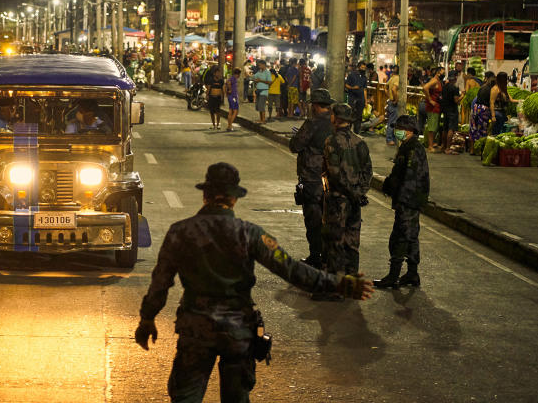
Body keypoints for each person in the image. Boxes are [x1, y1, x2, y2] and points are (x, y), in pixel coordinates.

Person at [134, 162, 374, 403]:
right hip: (237, 333)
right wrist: (339, 284)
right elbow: (291, 269)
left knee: (186, 397)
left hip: (196, 330)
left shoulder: (180, 232)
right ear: (234, 198)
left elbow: (160, 282)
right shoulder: (250, 234)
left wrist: (147, 319)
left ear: (205, 195)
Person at [314, 103, 373, 300]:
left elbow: (334, 173)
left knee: (335, 243)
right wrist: (359, 192)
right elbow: (368, 172)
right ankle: (353, 285)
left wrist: (349, 192)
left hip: (338, 201)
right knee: (352, 243)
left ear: (336, 119)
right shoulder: (360, 142)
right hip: (355, 201)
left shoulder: (332, 142)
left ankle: (335, 289)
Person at [375, 115, 429, 289]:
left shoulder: (413, 149)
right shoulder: (407, 146)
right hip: (409, 200)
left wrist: (401, 200)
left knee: (401, 236)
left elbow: (410, 177)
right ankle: (412, 274)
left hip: (409, 200)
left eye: (399, 128)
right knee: (411, 236)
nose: (396, 131)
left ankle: (393, 276)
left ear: (410, 131)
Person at [288, 89, 336, 268]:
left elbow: (296, 145)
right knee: (331, 218)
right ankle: (330, 256)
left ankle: (316, 256)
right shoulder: (335, 122)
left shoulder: (312, 123)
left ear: (315, 105)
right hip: (332, 178)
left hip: (312, 177)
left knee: (313, 219)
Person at [422, 66, 444, 152]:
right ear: (438, 73)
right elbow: (425, 88)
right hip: (432, 107)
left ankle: (432, 144)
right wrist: (430, 100)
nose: (443, 74)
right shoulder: (434, 80)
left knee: (434, 126)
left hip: (436, 106)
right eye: (442, 72)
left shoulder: (438, 81)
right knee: (432, 126)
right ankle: (430, 146)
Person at [469, 72, 496, 144]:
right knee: (482, 130)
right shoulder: (491, 90)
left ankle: (472, 149)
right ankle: (480, 149)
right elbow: (491, 103)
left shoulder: (482, 87)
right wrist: (493, 116)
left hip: (476, 108)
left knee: (473, 129)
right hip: (483, 110)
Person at [440, 78, 463, 154]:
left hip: (445, 109)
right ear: (455, 79)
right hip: (452, 110)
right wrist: (462, 95)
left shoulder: (444, 87)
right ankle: (447, 148)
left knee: (445, 128)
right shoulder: (455, 88)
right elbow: (456, 100)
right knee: (451, 129)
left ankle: (443, 146)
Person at [344, 62, 367, 133]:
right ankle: (348, 131)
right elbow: (346, 85)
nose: (363, 69)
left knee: (359, 116)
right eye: (362, 68)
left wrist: (365, 101)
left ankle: (357, 131)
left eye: (364, 68)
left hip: (361, 99)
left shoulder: (364, 77)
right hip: (352, 98)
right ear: (358, 67)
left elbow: (364, 89)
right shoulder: (352, 75)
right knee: (350, 114)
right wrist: (353, 88)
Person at [488, 71, 511, 136]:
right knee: (496, 132)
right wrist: (493, 116)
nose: (507, 80)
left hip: (502, 113)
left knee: (499, 132)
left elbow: (510, 99)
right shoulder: (495, 89)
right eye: (506, 78)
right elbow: (491, 102)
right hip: (497, 114)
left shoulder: (502, 88)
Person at [204, 65, 225, 130]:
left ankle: (218, 124)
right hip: (211, 97)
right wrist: (207, 96)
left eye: (219, 73)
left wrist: (222, 97)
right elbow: (208, 89)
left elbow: (222, 90)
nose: (218, 74)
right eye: (217, 73)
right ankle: (213, 124)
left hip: (218, 97)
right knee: (212, 112)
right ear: (214, 73)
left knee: (218, 111)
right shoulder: (211, 80)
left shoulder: (221, 81)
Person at [225, 67, 241, 132]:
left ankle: (229, 125)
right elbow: (228, 83)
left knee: (231, 111)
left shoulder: (231, 78)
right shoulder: (233, 78)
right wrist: (230, 89)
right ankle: (229, 125)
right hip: (233, 96)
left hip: (230, 96)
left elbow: (227, 83)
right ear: (237, 74)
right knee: (235, 111)